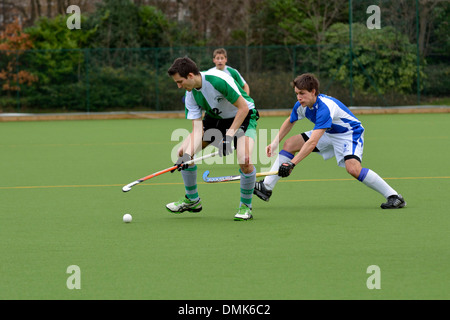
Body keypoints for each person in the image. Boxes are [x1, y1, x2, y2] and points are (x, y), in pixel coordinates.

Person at [253, 73, 406, 209]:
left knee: (353, 169)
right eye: (296, 94)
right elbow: (290, 120)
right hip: (329, 132)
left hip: (349, 134)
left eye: (302, 93)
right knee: (290, 144)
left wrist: (292, 164)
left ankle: (394, 197)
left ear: (313, 92)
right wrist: (275, 142)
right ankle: (266, 187)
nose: (298, 98)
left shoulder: (325, 108)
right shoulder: (301, 105)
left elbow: (312, 142)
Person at [166, 57, 260, 221]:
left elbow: (243, 107)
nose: (179, 86)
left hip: (243, 116)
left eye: (180, 82)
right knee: (183, 152)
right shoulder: (191, 95)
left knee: (245, 160)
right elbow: (197, 130)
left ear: (190, 75)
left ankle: (246, 206)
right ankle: (192, 200)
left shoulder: (217, 80)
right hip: (214, 120)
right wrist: (187, 157)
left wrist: (229, 136)